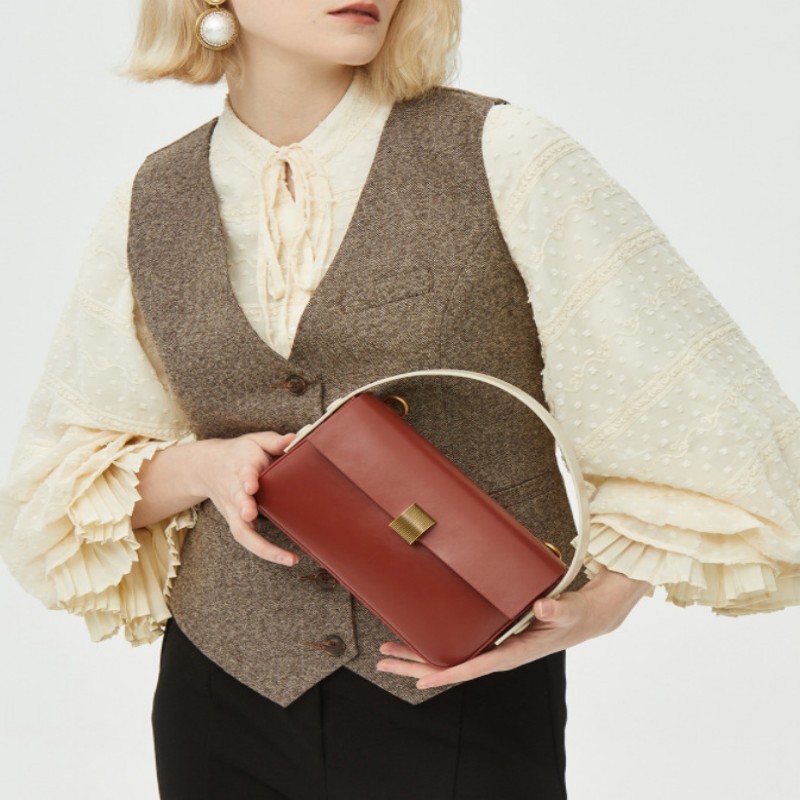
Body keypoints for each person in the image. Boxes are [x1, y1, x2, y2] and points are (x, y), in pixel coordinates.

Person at [1, 1, 798, 798]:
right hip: (224, 696)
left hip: (464, 690)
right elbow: (61, 484)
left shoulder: (500, 150)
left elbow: (695, 406)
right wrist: (206, 467)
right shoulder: (152, 198)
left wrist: (608, 598)